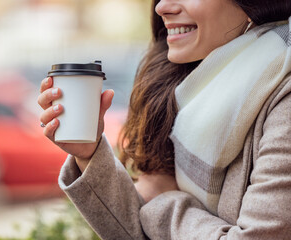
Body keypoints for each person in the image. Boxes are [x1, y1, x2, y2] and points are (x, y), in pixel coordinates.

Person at [37, 0, 291, 238]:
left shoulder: (283, 98)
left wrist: (164, 204)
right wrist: (89, 154)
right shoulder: (187, 89)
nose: (161, 7)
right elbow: (137, 232)